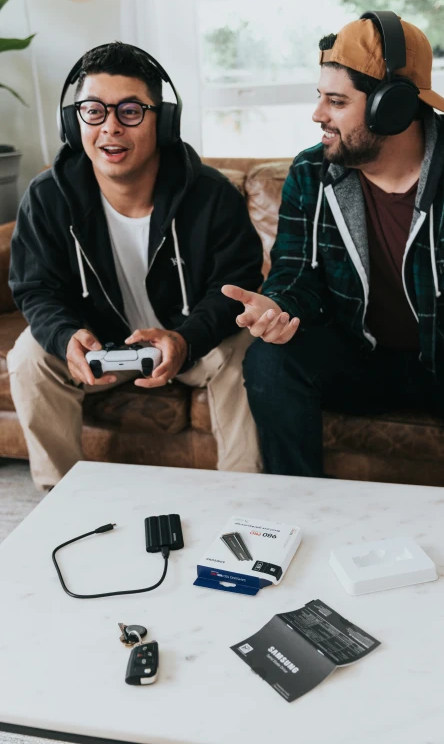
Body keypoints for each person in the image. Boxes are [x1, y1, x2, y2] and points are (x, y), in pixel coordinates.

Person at [222, 11, 444, 492]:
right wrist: (278, 307)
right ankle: (297, 512)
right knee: (269, 359)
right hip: (358, 360)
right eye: (319, 97)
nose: (318, 114)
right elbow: (295, 274)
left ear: (394, 109)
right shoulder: (310, 173)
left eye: (336, 101)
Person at [8, 42, 263, 490]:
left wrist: (186, 339)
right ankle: (60, 498)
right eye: (93, 111)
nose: (110, 128)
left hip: (192, 342)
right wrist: (65, 336)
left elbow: (235, 284)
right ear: (74, 120)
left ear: (162, 121)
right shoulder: (47, 197)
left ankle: (246, 497)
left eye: (129, 111)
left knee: (246, 348)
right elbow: (35, 288)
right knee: (30, 355)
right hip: (102, 349)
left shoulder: (211, 194)